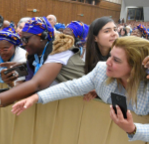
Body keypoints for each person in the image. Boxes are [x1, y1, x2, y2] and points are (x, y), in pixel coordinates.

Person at [11, 37, 149, 119]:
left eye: (116, 60)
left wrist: (132, 129)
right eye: (110, 56)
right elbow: (72, 87)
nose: (108, 62)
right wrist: (36, 97)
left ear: (135, 66)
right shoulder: (101, 70)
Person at [0, 17, 85, 108]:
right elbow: (29, 88)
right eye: (22, 39)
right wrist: (12, 82)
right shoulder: (35, 55)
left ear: (43, 36)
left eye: (26, 39)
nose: (23, 43)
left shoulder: (59, 51)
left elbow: (37, 84)